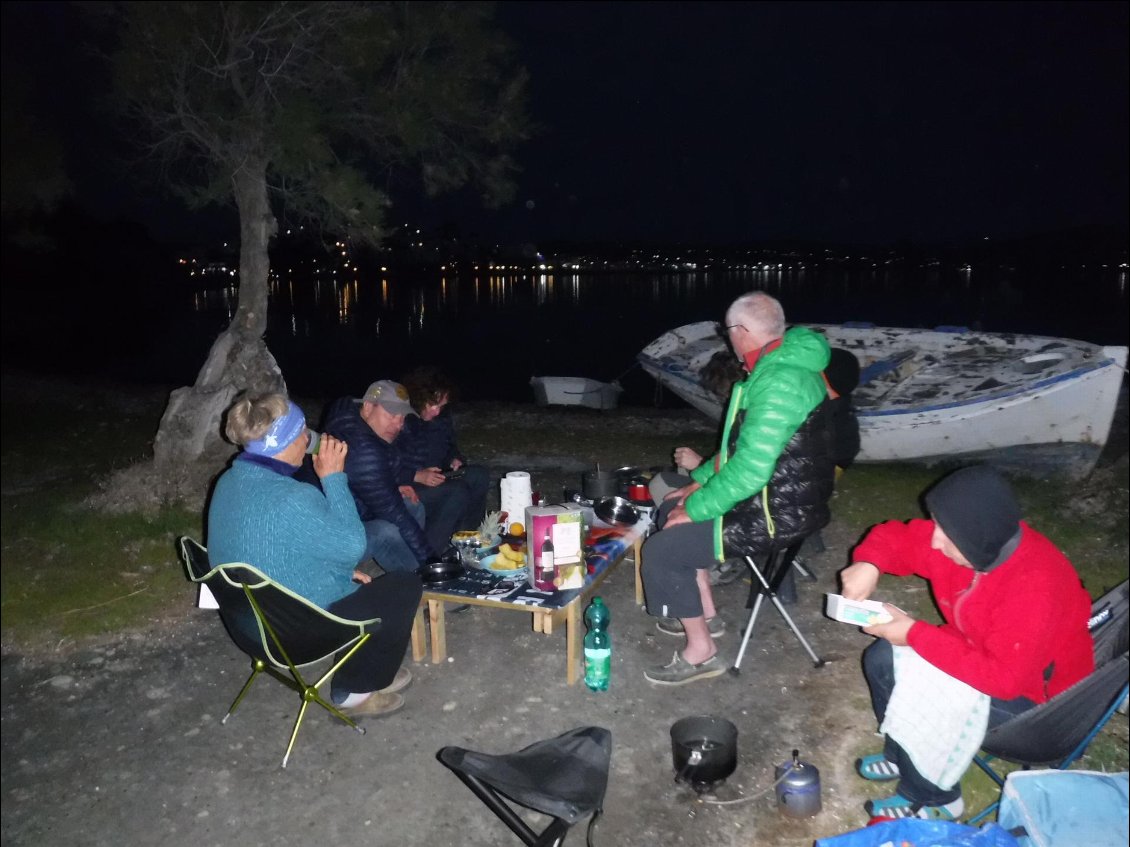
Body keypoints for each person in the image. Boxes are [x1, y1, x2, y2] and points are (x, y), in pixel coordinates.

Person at [840, 465, 1094, 820]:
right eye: (938, 525)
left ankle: (934, 798)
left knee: (923, 688)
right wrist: (870, 562)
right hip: (984, 654)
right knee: (884, 657)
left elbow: (1004, 680)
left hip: (1037, 706)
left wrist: (914, 632)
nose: (934, 540)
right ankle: (901, 756)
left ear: (976, 534)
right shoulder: (974, 544)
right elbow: (900, 538)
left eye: (945, 532)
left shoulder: (1035, 586)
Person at [641, 291, 836, 685]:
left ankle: (702, 653)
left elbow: (749, 471)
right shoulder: (777, 365)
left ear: (741, 331)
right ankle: (705, 618)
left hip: (776, 511)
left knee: (662, 548)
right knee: (668, 506)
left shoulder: (779, 381)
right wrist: (695, 484)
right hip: (774, 496)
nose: (727, 338)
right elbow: (739, 450)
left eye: (727, 330)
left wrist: (695, 510)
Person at [207, 392, 422, 718]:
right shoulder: (294, 497)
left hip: (248, 624)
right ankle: (355, 691)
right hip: (292, 631)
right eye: (303, 432)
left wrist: (337, 573)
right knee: (403, 587)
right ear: (287, 442)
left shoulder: (229, 481)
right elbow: (352, 546)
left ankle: (363, 667)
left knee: (356, 580)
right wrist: (334, 478)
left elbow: (263, 548)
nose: (310, 439)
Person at [323, 380, 438, 572]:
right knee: (388, 531)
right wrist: (432, 562)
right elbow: (396, 515)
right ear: (368, 407)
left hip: (353, 507)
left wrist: (396, 482)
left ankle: (405, 563)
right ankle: (420, 581)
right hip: (330, 536)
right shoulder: (363, 447)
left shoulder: (354, 418)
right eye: (392, 415)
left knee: (413, 505)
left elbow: (379, 469)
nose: (398, 424)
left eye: (402, 417)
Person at [396, 366, 491, 547]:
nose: (437, 411)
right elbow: (382, 466)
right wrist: (416, 475)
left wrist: (455, 459)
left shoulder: (440, 419)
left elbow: (450, 446)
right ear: (418, 399)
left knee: (479, 475)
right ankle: (431, 553)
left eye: (442, 406)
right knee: (457, 490)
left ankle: (466, 542)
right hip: (407, 484)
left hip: (438, 476)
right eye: (433, 405)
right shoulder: (399, 420)